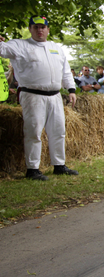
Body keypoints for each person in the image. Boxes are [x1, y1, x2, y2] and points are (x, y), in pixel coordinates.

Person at [0, 16, 79, 180]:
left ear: (48, 30)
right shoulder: (20, 45)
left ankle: (59, 165)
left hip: (55, 95)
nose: (39, 30)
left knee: (58, 131)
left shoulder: (56, 48)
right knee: (34, 131)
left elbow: (65, 71)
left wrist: (71, 89)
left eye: (43, 27)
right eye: (35, 27)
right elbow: (3, 50)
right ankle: (33, 169)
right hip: (32, 95)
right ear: (30, 29)